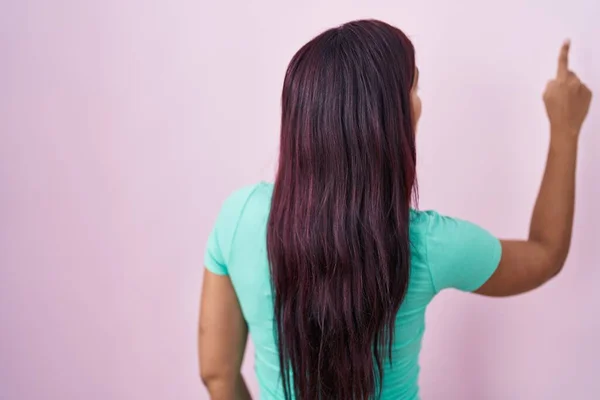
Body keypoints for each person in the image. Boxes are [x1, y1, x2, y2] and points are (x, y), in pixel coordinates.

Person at [198, 19, 592, 400]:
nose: (419, 102)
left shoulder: (240, 217)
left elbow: (217, 373)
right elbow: (545, 252)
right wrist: (565, 128)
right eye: (413, 87)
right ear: (387, 119)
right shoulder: (425, 244)